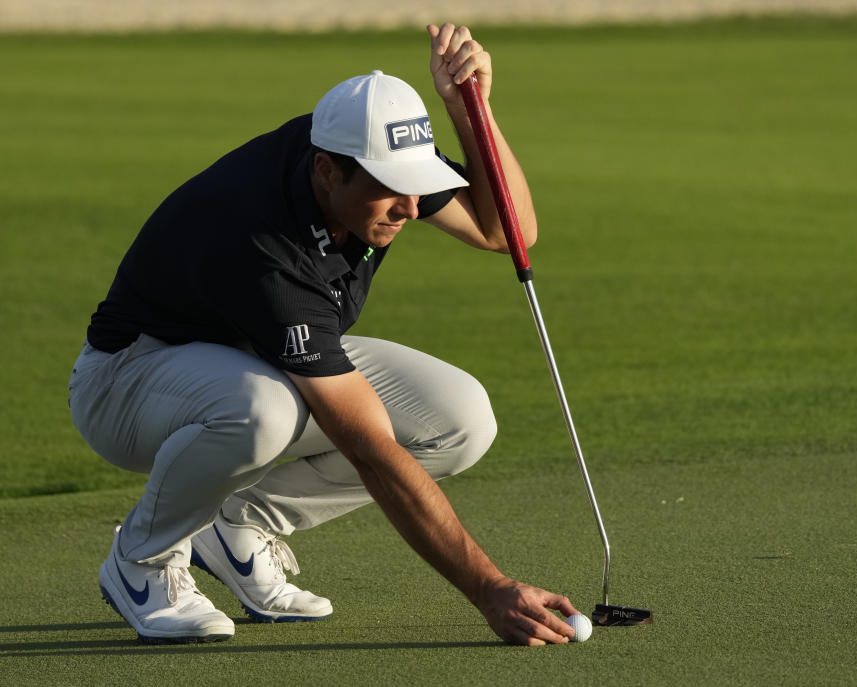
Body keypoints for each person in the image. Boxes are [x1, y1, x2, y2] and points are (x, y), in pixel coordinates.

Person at [68, 23, 581, 646]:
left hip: (259, 355)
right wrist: (489, 587)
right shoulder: (266, 249)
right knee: (262, 410)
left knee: (460, 417)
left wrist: (468, 110)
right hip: (129, 381)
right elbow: (371, 451)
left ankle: (238, 525)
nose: (412, 208)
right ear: (327, 172)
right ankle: (142, 561)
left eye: (415, 183)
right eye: (390, 190)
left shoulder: (365, 154)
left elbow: (508, 232)